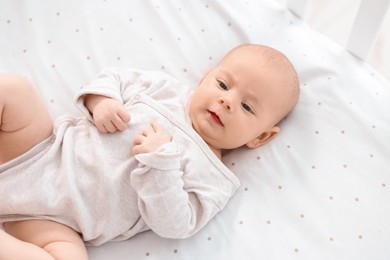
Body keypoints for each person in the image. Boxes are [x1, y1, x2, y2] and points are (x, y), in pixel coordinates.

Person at [0, 44, 299, 259]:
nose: (227, 101)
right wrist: (101, 102)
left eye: (247, 106)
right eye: (222, 84)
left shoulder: (216, 180)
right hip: (40, 151)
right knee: (14, 89)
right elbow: (114, 79)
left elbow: (176, 225)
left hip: (59, 222)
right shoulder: (166, 90)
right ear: (205, 77)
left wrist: (162, 166)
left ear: (260, 137)